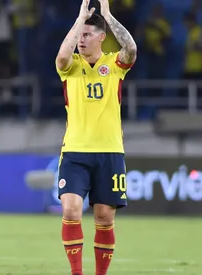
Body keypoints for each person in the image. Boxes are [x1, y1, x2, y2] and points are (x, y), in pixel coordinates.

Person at [54, 0, 136, 274]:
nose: (81, 40)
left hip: (110, 152)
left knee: (104, 216)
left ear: (102, 38)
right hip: (75, 151)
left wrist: (109, 15)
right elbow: (61, 56)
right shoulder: (70, 66)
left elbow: (131, 50)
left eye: (87, 34)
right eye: (79, 35)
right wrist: (79, 21)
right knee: (71, 210)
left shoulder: (114, 64)